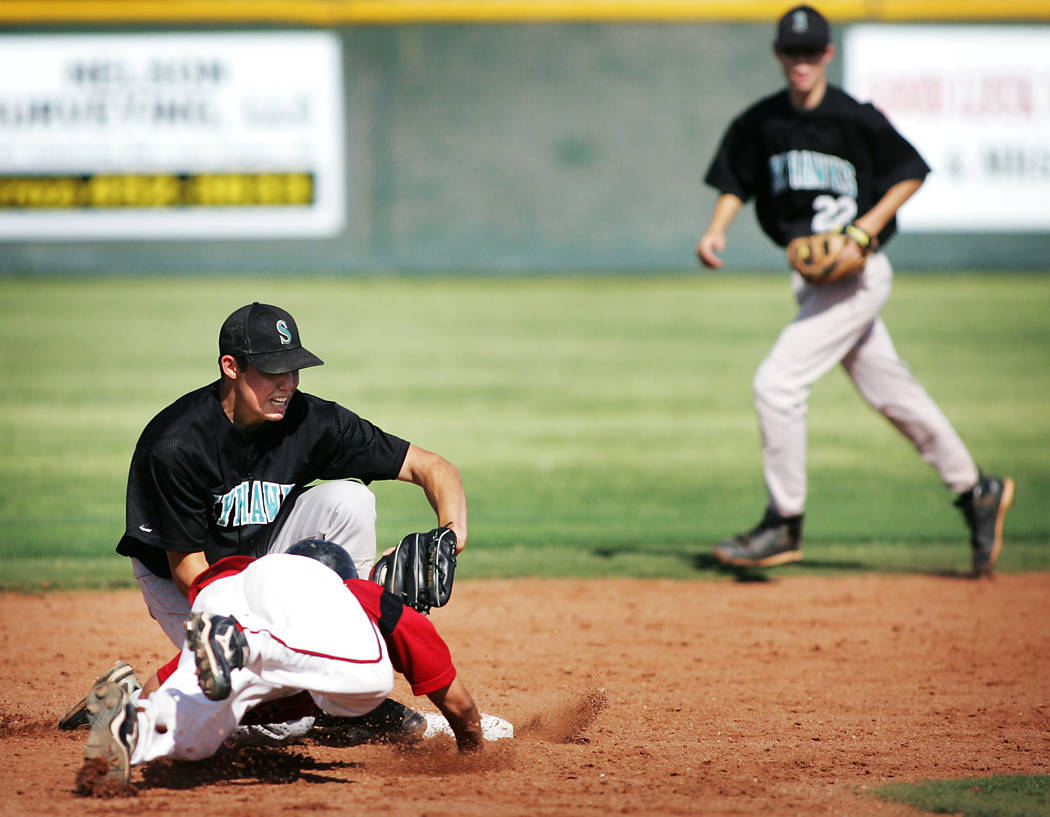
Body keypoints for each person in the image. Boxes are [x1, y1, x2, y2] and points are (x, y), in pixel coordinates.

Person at [694, 5, 1013, 574]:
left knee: (777, 384)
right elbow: (734, 180)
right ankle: (977, 490)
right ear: (778, 54)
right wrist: (716, 231)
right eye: (792, 52)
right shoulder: (761, 123)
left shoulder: (855, 118)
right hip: (814, 283)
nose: (801, 61)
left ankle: (783, 522)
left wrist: (864, 230)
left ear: (828, 55)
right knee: (895, 395)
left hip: (859, 276)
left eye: (811, 51)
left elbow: (912, 171)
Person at [113, 301, 467, 647]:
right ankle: (124, 706)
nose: (288, 384)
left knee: (351, 499)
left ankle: (353, 623)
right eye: (272, 371)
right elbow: (188, 572)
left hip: (260, 551)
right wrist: (263, 619)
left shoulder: (311, 421)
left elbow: (431, 466)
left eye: (293, 369)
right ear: (231, 367)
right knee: (256, 673)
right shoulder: (177, 445)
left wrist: (451, 537)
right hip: (182, 579)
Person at [77, 549, 483, 788]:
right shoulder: (355, 596)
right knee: (371, 683)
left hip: (222, 599)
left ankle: (131, 729)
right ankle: (249, 641)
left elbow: (168, 683)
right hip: (251, 623)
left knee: (194, 744)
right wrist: (474, 756)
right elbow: (461, 707)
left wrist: (144, 705)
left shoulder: (228, 632)